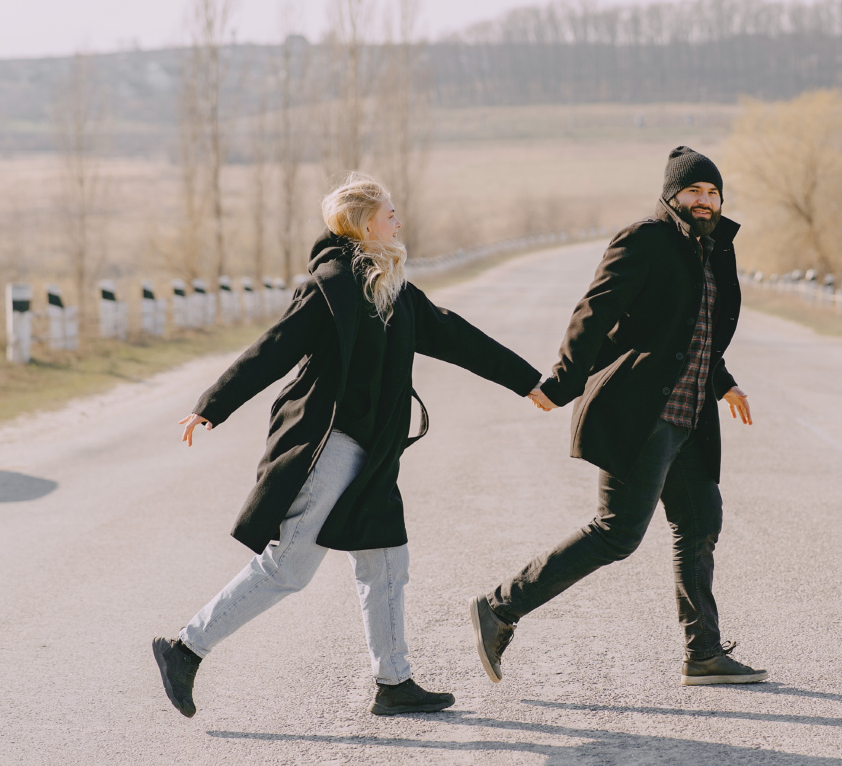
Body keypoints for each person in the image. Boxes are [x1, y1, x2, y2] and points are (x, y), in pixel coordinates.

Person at [152, 172, 541, 718]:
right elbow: (273, 349)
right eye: (389, 214)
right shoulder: (330, 285)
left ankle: (394, 681)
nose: (398, 222)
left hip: (377, 451)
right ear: (362, 225)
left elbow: (456, 336)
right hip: (331, 443)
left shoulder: (396, 290)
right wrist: (212, 404)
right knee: (288, 568)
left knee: (385, 561)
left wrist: (528, 381)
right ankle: (184, 648)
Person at [470, 146, 766, 686]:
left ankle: (703, 652)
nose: (704, 200)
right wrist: (562, 382)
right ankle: (499, 608)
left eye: (712, 192)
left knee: (700, 524)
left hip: (691, 418)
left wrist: (725, 384)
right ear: (671, 195)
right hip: (644, 413)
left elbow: (695, 332)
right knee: (617, 533)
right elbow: (594, 312)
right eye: (693, 191)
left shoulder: (714, 250)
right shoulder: (645, 240)